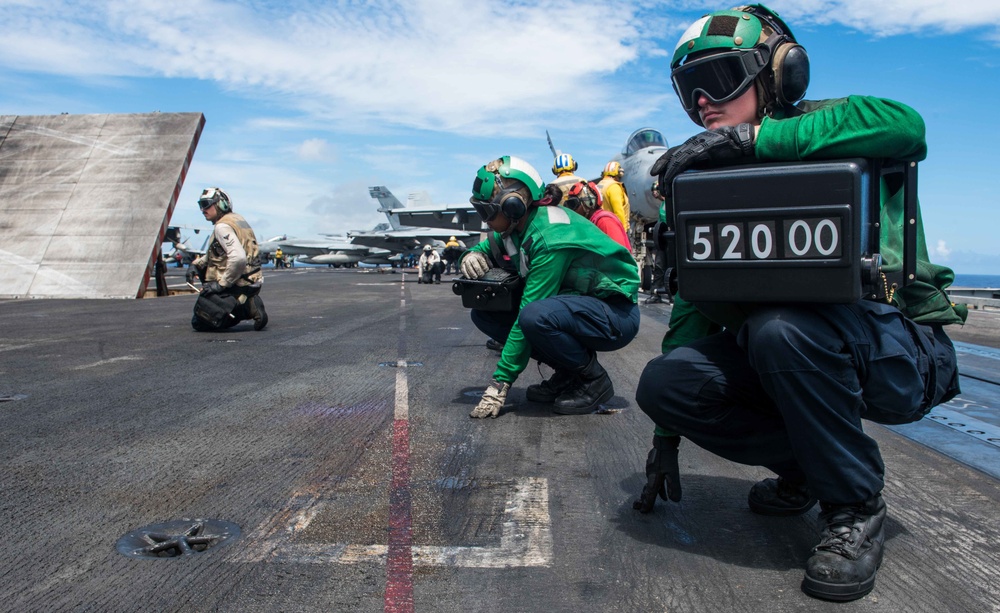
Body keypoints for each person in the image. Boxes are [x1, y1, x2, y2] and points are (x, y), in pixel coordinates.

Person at [632, 4, 966, 602]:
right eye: (690, 91)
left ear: (779, 73)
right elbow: (693, 310)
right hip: (789, 346)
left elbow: (907, 124)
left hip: (899, 348)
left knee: (779, 330)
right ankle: (809, 472)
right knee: (667, 383)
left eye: (721, 78)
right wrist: (665, 436)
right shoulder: (706, 178)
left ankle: (855, 507)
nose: (703, 103)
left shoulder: (832, 125)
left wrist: (756, 140)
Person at [461, 155, 640, 417]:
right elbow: (490, 245)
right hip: (579, 307)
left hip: (615, 314)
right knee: (485, 313)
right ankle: (569, 374)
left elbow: (528, 312)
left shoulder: (549, 238)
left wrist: (499, 384)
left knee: (534, 316)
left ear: (513, 206)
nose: (485, 219)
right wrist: (471, 255)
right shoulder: (519, 229)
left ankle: (593, 380)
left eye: (487, 211)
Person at [185, 187, 268, 331]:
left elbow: (238, 258)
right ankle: (244, 302)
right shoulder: (237, 220)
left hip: (239, 283)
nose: (202, 209)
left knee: (199, 322)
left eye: (206, 204)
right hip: (252, 280)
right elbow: (217, 253)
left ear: (220, 204)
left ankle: (247, 307)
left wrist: (221, 284)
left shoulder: (222, 227)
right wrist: (196, 265)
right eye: (201, 205)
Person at [561, 180, 631, 250]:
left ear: (588, 202)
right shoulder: (591, 222)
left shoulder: (605, 222)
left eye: (574, 204)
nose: (573, 210)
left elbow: (618, 254)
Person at [596, 161, 631, 232]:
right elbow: (618, 211)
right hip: (612, 228)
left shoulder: (598, 185)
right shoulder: (613, 187)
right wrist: (623, 230)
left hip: (600, 226)